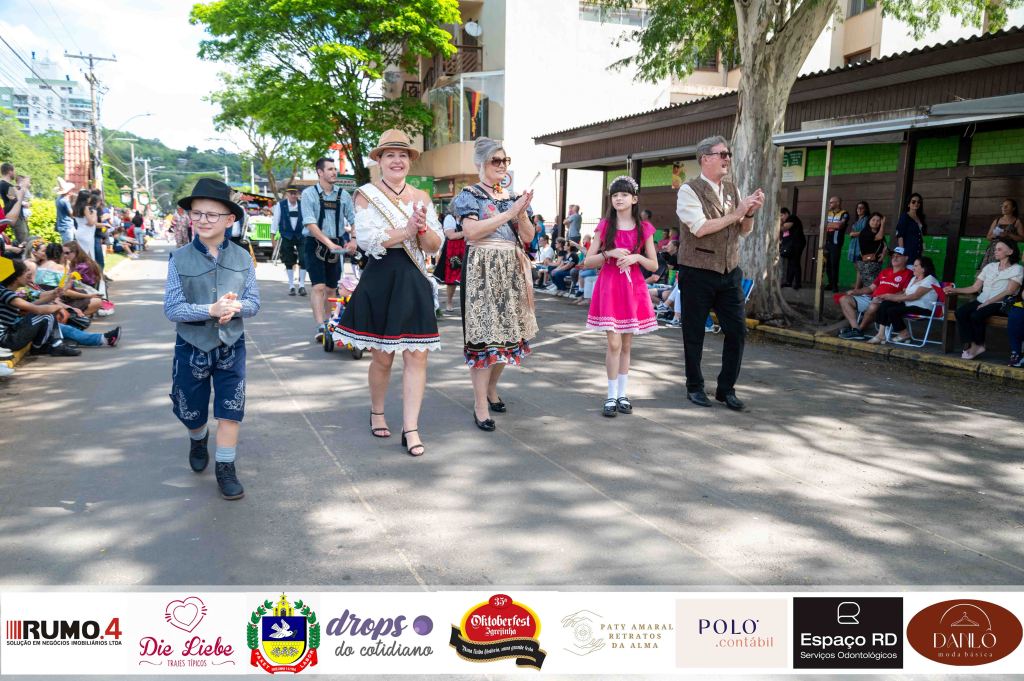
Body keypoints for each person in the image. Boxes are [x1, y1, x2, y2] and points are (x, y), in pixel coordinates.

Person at [334, 130, 443, 457]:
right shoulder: (366, 195)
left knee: (417, 355)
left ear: (409, 161)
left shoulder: (422, 197)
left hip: (413, 279)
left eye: (403, 155)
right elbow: (368, 241)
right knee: (383, 356)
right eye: (390, 155)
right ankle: (377, 411)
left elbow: (435, 245)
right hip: (381, 278)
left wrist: (422, 229)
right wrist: (406, 230)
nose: (397, 160)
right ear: (379, 161)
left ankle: (411, 428)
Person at [164, 178, 260, 500]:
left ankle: (225, 467)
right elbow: (173, 308)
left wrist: (235, 307)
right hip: (191, 346)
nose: (203, 220)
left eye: (212, 214)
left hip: (231, 345)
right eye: (197, 213)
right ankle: (198, 437)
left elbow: (254, 303)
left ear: (229, 219)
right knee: (190, 410)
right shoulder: (178, 259)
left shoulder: (244, 258)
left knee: (231, 407)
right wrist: (210, 309)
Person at [454, 137, 537, 431]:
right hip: (481, 268)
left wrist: (521, 212)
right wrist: (509, 213)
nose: (502, 166)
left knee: (508, 338)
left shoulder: (511, 197)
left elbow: (528, 237)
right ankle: (480, 404)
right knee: (483, 339)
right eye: (496, 161)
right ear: (481, 164)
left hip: (510, 268)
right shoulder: (469, 195)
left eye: (505, 161)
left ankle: (491, 389)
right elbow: (471, 232)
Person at [676, 135, 764, 411]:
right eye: (722, 154)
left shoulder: (732, 189)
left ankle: (726, 390)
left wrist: (749, 213)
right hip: (697, 271)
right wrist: (737, 212)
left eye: (729, 154)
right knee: (694, 333)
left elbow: (744, 231)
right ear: (705, 159)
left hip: (729, 271)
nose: (727, 159)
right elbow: (700, 228)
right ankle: (694, 386)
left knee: (737, 331)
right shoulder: (689, 190)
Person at [582, 175, 658, 417]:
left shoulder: (644, 228)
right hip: (610, 286)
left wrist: (637, 257)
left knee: (626, 344)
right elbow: (588, 261)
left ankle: (622, 394)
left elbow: (654, 265)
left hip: (632, 288)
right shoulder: (605, 226)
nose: (619, 198)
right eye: (615, 195)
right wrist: (609, 253)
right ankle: (611, 395)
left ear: (634, 199)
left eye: (624, 194)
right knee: (613, 343)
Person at [302, 157, 356, 343]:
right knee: (318, 286)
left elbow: (354, 220)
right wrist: (328, 243)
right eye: (330, 169)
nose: (335, 172)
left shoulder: (344, 195)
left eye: (335, 169)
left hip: (337, 243)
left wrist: (354, 240)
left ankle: (330, 323)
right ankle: (320, 326)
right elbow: (310, 223)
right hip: (314, 243)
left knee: (332, 289)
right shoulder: (309, 194)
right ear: (320, 172)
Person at [944, 237, 1022, 360]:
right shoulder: (990, 267)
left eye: (999, 249)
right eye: (995, 249)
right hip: (982, 299)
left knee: (976, 315)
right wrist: (954, 290)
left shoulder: (1017, 269)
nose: (995, 251)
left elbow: (1010, 291)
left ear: (1010, 251)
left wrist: (988, 302)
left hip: (1000, 303)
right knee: (960, 312)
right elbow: (975, 287)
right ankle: (971, 343)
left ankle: (979, 344)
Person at [0, 258, 80, 356]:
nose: (29, 275)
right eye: (25, 272)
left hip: (9, 335)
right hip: (5, 341)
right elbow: (37, 310)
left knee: (47, 312)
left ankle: (53, 345)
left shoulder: (5, 291)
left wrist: (54, 295)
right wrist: (58, 307)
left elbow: (33, 305)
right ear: (16, 277)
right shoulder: (5, 293)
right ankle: (50, 346)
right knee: (46, 314)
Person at [837, 247, 912, 340]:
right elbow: (871, 288)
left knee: (873, 306)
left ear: (906, 258)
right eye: (893, 256)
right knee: (844, 299)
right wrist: (856, 291)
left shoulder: (908, 273)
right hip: (871, 298)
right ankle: (855, 329)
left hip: (886, 302)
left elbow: (904, 292)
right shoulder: (885, 271)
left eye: (898, 256)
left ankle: (859, 330)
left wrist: (886, 297)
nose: (895, 258)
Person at [868, 256, 940, 344]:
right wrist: (886, 296)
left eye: (916, 266)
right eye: (913, 265)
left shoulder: (930, 280)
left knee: (892, 310)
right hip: (908, 305)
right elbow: (905, 294)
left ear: (923, 269)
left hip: (923, 308)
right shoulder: (914, 279)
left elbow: (915, 296)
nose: (913, 268)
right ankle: (881, 334)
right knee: (885, 303)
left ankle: (904, 333)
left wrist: (891, 296)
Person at [271, 186, 308, 296]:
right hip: (287, 236)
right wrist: (273, 239)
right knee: (288, 261)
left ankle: (301, 285)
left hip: (301, 235)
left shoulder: (303, 205)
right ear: (287, 194)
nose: (293, 195)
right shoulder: (280, 205)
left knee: (304, 259)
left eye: (295, 193)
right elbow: (275, 221)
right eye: (291, 193)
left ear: (298, 194)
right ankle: (291, 286)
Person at [433, 204, 465, 312]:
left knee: (466, 277)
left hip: (466, 248)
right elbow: (451, 235)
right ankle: (449, 302)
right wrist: (468, 232)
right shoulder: (449, 218)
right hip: (453, 251)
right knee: (452, 279)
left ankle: (466, 304)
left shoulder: (467, 217)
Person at [980, 198, 1024, 269]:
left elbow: (1022, 238)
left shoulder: (1017, 221)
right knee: (991, 270)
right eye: (1003, 206)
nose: (1004, 207)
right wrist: (994, 235)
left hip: (1008, 251)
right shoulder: (997, 221)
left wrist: (1009, 234)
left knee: (1006, 270)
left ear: (1013, 208)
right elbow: (988, 237)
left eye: (1007, 206)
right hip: (994, 250)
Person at [853, 211, 887, 290]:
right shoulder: (865, 232)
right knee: (870, 287)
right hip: (866, 263)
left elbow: (885, 245)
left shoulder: (879, 233)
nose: (875, 222)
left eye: (878, 221)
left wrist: (883, 254)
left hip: (876, 263)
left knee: (874, 285)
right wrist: (883, 225)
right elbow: (879, 237)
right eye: (873, 220)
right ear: (869, 221)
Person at [823, 196, 848, 292]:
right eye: (829, 202)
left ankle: (834, 285)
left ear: (838, 203)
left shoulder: (844, 213)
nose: (830, 204)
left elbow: (839, 225)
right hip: (827, 243)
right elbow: (822, 225)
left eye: (831, 202)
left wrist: (828, 224)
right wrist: (832, 225)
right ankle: (830, 283)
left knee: (834, 264)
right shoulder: (827, 213)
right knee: (827, 264)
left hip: (836, 243)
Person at [895, 193, 925, 265]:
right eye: (913, 202)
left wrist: (923, 249)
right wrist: (901, 252)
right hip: (908, 251)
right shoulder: (905, 216)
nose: (916, 203)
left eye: (918, 202)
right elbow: (900, 235)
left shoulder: (920, 218)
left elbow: (921, 235)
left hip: (918, 251)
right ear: (908, 204)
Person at [779, 207, 805, 289]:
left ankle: (798, 283)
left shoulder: (792, 218)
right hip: (790, 245)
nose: (781, 218)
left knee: (795, 262)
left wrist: (779, 222)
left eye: (781, 215)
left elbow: (784, 228)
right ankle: (789, 282)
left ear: (786, 213)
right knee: (791, 263)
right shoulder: (786, 221)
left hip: (797, 243)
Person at [846, 201, 870, 273]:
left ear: (865, 209)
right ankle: (858, 280)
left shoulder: (867, 219)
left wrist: (854, 234)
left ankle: (860, 280)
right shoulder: (857, 220)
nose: (859, 209)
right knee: (857, 267)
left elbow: (867, 231)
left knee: (861, 267)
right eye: (858, 208)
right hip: (854, 244)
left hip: (861, 244)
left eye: (861, 208)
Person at [53, 178, 76, 244]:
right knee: (68, 245)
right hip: (67, 226)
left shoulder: (58, 199)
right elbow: (72, 215)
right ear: (68, 191)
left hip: (62, 225)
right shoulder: (65, 201)